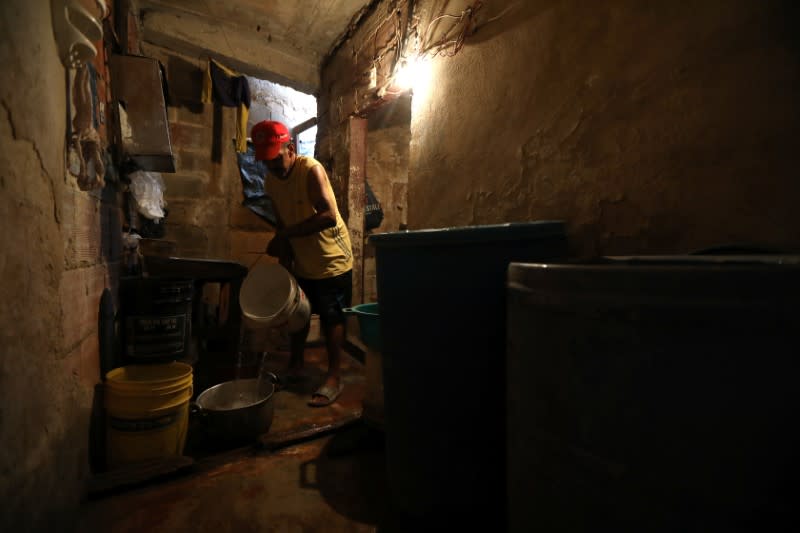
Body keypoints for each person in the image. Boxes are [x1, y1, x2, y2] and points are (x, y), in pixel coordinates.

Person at [251, 120, 353, 407]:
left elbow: (328, 216)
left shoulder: (310, 170)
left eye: (276, 158)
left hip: (332, 259)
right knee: (299, 314)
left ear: (291, 149)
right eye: (266, 162)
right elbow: (283, 220)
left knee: (333, 317)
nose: (272, 166)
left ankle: (335, 376)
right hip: (304, 259)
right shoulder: (271, 181)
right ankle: (295, 366)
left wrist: (285, 235)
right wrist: (285, 256)